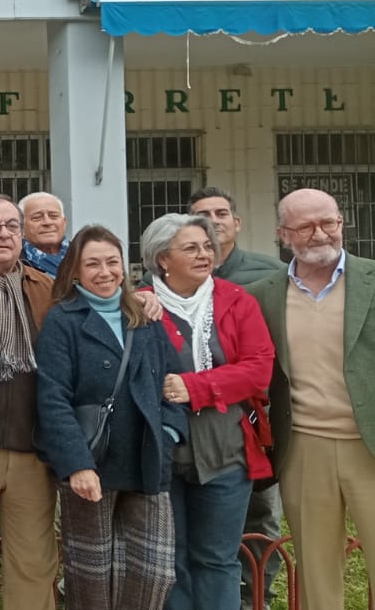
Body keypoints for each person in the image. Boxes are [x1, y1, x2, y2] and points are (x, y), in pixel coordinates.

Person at [34, 225, 186, 610]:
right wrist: (77, 465)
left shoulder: (145, 316)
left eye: (112, 262)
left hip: (147, 456)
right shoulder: (63, 320)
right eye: (93, 264)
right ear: (76, 271)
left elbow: (172, 382)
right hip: (92, 463)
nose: (104, 272)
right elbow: (53, 398)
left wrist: (168, 433)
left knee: (154, 572)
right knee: (93, 574)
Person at [137, 213, 275, 610]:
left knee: (217, 558)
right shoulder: (139, 304)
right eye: (191, 248)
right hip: (163, 449)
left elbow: (259, 368)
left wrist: (194, 386)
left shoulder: (236, 300)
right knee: (171, 560)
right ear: (163, 258)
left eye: (207, 247)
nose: (205, 255)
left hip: (226, 448)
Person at [248, 188, 375, 610]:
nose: (320, 234)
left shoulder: (372, 279)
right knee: (317, 570)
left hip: (369, 441)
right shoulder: (263, 295)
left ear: (342, 224)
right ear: (284, 234)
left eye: (329, 223)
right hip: (303, 446)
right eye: (306, 226)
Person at [186, 187, 287, 605]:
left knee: (261, 509)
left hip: (257, 415)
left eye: (221, 212)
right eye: (203, 213)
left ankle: (255, 591)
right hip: (199, 420)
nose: (214, 219)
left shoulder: (270, 273)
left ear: (237, 222)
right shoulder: (174, 276)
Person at [0, 194, 59, 610]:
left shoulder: (47, 288)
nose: (3, 234)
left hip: (31, 445)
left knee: (34, 560)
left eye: (12, 226)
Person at [19, 192, 69, 277]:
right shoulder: (14, 263)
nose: (47, 222)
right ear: (21, 226)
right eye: (37, 217)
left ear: (64, 222)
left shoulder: (82, 254)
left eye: (53, 216)